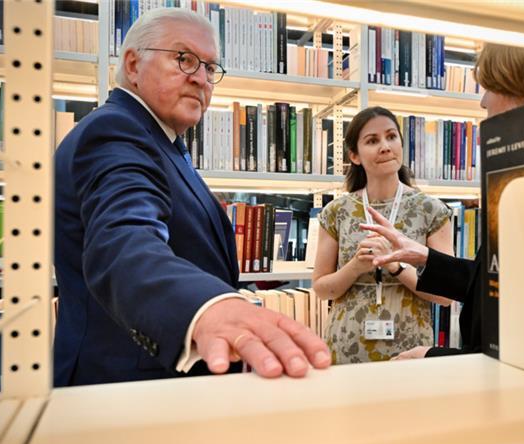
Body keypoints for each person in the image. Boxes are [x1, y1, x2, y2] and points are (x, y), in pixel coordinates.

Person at [54, 8, 330, 386]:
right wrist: (205, 307)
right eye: (184, 59)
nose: (201, 78)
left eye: (210, 68)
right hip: (124, 389)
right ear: (133, 65)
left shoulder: (163, 142)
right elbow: (123, 241)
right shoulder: (115, 129)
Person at [360, 43, 524, 360]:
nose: (483, 101)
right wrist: (424, 256)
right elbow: (500, 281)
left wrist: (432, 357)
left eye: (491, 88)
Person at [312, 106, 455, 364]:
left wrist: (395, 265)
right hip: (346, 348)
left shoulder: (431, 210)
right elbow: (322, 289)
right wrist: (355, 267)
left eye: (391, 137)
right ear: (354, 156)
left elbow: (445, 296)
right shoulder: (336, 212)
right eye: (372, 141)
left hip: (410, 350)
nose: (385, 147)